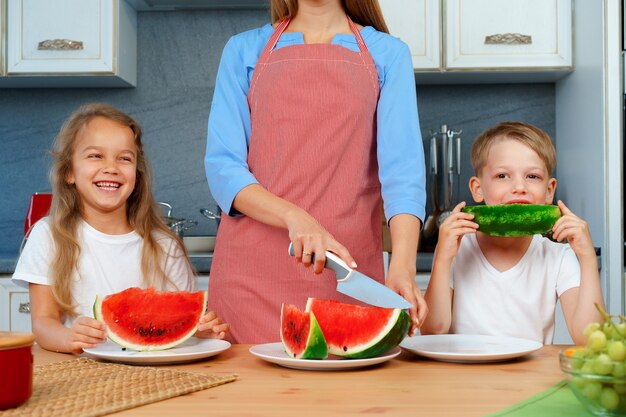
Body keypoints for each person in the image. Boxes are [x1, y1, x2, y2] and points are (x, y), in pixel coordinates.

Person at [205, 0, 427, 343]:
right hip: (249, 277)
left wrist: (403, 267)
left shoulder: (389, 54)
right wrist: (297, 218)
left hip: (347, 275)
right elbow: (223, 169)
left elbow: (403, 175)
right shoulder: (243, 50)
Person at [12, 103, 229, 354]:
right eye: (95, 155)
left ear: (136, 175)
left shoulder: (164, 246)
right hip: (78, 372)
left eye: (124, 158)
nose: (111, 168)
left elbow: (180, 317)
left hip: (153, 375)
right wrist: (68, 336)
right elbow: (42, 323)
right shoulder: (48, 236)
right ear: (69, 171)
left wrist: (198, 328)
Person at [421, 121, 604, 344]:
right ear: (477, 189)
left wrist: (587, 259)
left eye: (532, 176)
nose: (519, 186)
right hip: (464, 375)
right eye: (502, 176)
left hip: (530, 377)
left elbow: (588, 339)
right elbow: (433, 330)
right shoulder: (458, 248)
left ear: (549, 191)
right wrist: (443, 258)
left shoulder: (558, 256)